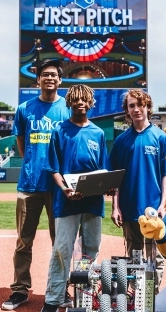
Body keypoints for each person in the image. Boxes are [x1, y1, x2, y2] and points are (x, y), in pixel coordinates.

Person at [2, 59, 70, 311]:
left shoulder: (67, 109)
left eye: (53, 75)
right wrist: (33, 162)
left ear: (60, 80)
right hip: (29, 184)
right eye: (45, 75)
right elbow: (22, 144)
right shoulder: (25, 108)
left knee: (60, 243)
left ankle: (59, 289)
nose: (49, 78)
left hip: (58, 187)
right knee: (23, 241)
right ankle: (20, 290)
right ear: (38, 80)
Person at [40, 84, 109, 312]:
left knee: (90, 249)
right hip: (66, 201)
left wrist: (103, 186)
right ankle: (53, 299)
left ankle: (84, 296)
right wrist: (65, 189)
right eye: (76, 99)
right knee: (62, 250)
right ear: (69, 102)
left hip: (92, 202)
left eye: (85, 100)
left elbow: (102, 171)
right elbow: (54, 169)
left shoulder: (98, 133)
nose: (81, 103)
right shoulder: (60, 130)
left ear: (91, 103)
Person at [109, 89, 166, 293]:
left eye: (140, 104)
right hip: (129, 208)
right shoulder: (121, 141)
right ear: (127, 110)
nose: (136, 109)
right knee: (134, 258)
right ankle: (136, 296)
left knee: (156, 257)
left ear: (147, 107)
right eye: (131, 106)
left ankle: (153, 296)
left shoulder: (161, 138)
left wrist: (164, 204)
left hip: (155, 209)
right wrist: (115, 207)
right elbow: (115, 179)